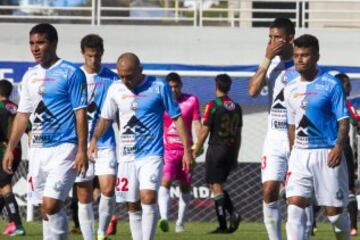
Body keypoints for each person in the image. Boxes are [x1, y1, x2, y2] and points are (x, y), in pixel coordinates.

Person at [88, 52, 194, 240]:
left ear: (140, 70)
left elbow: (177, 119)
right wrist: (94, 139)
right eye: (121, 76)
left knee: (148, 197)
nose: (125, 80)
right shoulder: (115, 89)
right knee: (132, 204)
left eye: (129, 76)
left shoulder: (159, 86)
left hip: (151, 155)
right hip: (126, 156)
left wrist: (187, 149)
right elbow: (105, 119)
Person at [2, 23, 88, 239]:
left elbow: (80, 113)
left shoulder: (72, 73)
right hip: (38, 151)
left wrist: (82, 149)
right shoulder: (30, 76)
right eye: (32, 43)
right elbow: (22, 116)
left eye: (40, 42)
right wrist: (10, 148)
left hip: (65, 148)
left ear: (54, 43)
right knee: (45, 209)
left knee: (50, 205)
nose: (35, 48)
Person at [248, 17, 315, 240]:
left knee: (298, 197)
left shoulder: (302, 66)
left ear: (290, 38)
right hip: (275, 138)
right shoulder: (270, 66)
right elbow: (252, 91)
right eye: (269, 38)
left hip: (299, 138)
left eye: (277, 37)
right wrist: (266, 58)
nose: (272, 42)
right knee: (269, 191)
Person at [284, 34, 350, 240]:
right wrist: (293, 153)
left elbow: (343, 119)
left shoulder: (332, 84)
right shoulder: (290, 88)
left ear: (316, 56)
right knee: (294, 205)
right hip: (300, 155)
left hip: (328, 154)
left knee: (334, 216)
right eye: (296, 55)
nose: (299, 60)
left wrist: (339, 146)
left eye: (305, 55)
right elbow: (292, 125)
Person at [74, 33, 119, 240]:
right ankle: (89, 238)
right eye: (90, 56)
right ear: (83, 54)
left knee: (108, 188)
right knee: (84, 194)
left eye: (97, 56)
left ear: (102, 54)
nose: (94, 60)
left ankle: (101, 231)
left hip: (105, 142)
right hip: (80, 145)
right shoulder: (74, 76)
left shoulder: (113, 78)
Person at [193, 74, 242, 234]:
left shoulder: (213, 105)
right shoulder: (237, 107)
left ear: (216, 86)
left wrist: (195, 150)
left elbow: (204, 130)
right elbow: (238, 134)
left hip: (216, 149)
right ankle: (231, 214)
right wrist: (235, 155)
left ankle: (224, 223)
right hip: (230, 149)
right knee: (217, 185)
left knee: (216, 186)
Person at [157, 72, 201, 233]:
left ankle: (180, 222)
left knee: (185, 186)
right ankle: (163, 218)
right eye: (171, 87)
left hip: (186, 152)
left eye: (176, 86)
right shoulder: (161, 102)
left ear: (181, 86)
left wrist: (198, 145)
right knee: (165, 182)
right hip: (167, 151)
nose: (174, 89)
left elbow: (197, 123)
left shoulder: (191, 100)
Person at [0, 79, 26, 236]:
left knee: (5, 186)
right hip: (17, 151)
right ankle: (13, 223)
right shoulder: (16, 108)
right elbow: (27, 127)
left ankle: (17, 224)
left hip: (4, 152)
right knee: (2, 187)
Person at [336, 72, 358, 236]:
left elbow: (356, 121)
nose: (349, 88)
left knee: (349, 187)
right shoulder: (342, 103)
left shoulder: (348, 104)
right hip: (334, 148)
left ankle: (353, 226)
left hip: (344, 149)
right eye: (347, 85)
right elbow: (355, 120)